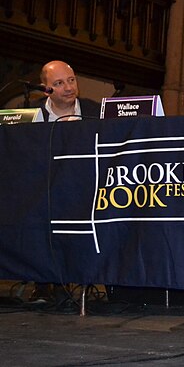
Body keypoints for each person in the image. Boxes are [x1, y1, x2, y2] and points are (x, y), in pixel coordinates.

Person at [29, 61, 101, 303]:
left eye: (71, 80)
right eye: (58, 83)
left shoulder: (95, 112)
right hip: (42, 190)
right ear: (45, 88)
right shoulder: (32, 114)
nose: (69, 88)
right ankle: (42, 283)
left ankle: (71, 281)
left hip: (86, 190)